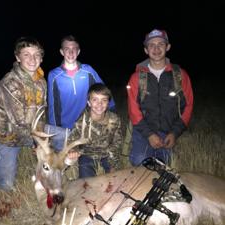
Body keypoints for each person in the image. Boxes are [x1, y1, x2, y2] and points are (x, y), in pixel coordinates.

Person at [0, 37, 47, 191]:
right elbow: (19, 124)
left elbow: (41, 114)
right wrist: (39, 143)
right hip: (6, 138)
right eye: (26, 54)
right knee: (6, 188)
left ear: (41, 57)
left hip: (30, 132)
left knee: (64, 135)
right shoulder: (10, 83)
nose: (32, 59)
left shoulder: (41, 81)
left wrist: (43, 139)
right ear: (18, 57)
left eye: (36, 54)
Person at [126, 29, 194, 166]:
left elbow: (188, 106)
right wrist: (149, 135)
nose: (156, 48)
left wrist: (174, 133)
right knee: (140, 163)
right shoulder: (136, 78)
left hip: (168, 132)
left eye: (160, 44)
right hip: (143, 133)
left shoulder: (180, 75)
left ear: (168, 47)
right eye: (151, 45)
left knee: (167, 167)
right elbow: (133, 110)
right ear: (146, 50)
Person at [46, 35, 115, 151]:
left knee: (92, 154)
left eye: (74, 48)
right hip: (66, 129)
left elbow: (104, 91)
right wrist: (55, 130)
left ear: (78, 51)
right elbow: (53, 105)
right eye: (67, 49)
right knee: (64, 160)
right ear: (61, 52)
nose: (71, 52)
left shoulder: (88, 71)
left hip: (87, 125)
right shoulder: (54, 75)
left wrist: (112, 112)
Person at [67, 83, 122, 178]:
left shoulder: (114, 119)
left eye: (104, 100)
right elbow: (72, 140)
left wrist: (113, 165)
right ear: (89, 102)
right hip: (87, 155)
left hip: (107, 155)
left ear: (108, 103)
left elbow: (117, 143)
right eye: (95, 100)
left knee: (116, 179)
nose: (99, 104)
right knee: (86, 183)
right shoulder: (81, 121)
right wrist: (73, 150)